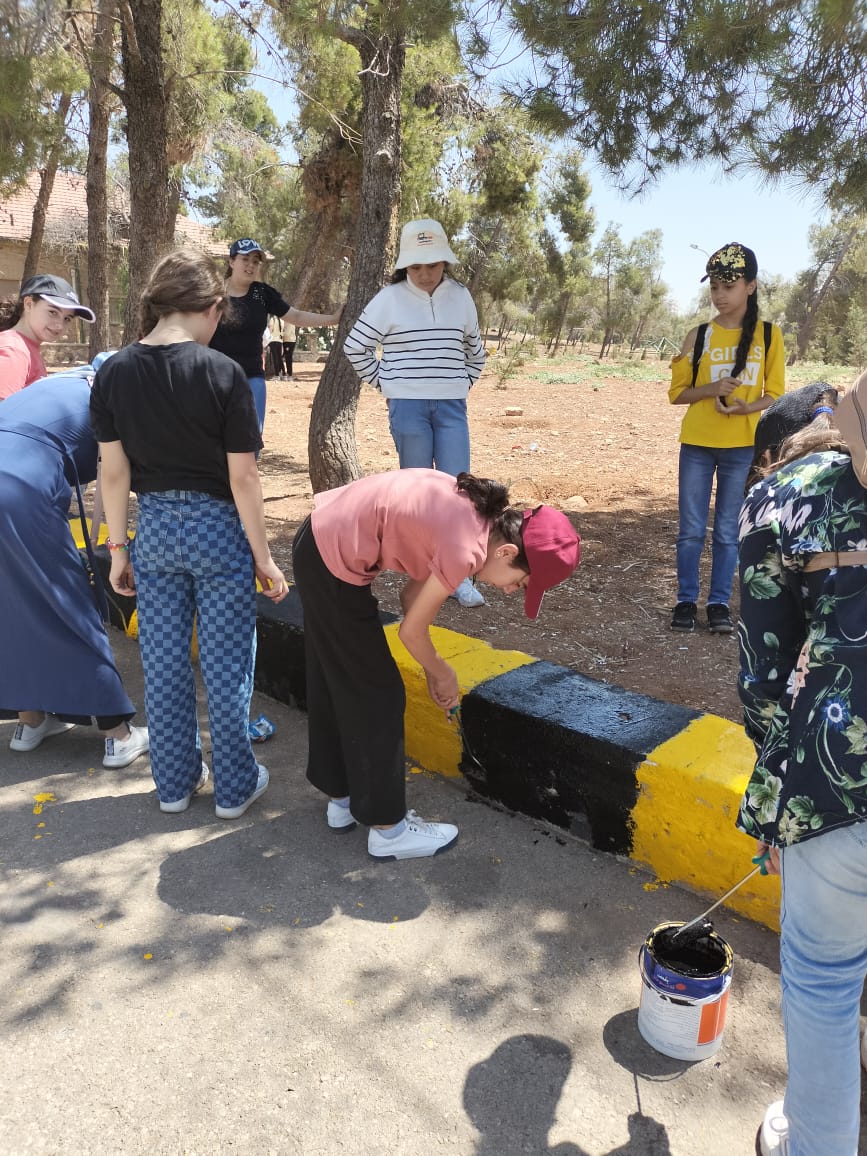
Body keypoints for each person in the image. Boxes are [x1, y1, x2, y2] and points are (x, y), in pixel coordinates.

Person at [291, 468, 580, 860]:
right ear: (507, 553)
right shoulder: (466, 548)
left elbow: (412, 600)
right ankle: (389, 832)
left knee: (339, 678)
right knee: (379, 695)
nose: (511, 590)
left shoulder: (475, 516)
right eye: (521, 583)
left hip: (319, 544)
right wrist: (442, 670)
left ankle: (342, 798)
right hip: (331, 561)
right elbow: (410, 631)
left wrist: (431, 670)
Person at [90, 248, 289, 819]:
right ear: (210, 308)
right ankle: (234, 787)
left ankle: (174, 786)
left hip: (152, 529)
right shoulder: (223, 372)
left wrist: (117, 550)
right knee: (227, 663)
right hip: (217, 529)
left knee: (164, 662)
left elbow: (113, 471)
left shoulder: (114, 371)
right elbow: (243, 476)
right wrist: (264, 557)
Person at [737, 370, 867, 1156]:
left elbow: (761, 673)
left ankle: (816, 1142)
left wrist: (776, 799)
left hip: (838, 795)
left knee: (822, 983)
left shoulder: (787, 497)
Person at [0, 359, 148, 767]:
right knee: (69, 604)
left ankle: (30, 722)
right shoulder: (112, 393)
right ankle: (116, 734)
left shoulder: (59, 385)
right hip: (18, 490)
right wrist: (120, 548)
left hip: (12, 476)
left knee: (9, 606)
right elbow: (117, 474)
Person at [343, 218, 487, 609]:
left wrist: (460, 383)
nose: (424, 273)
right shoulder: (388, 300)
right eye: (416, 266)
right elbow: (355, 348)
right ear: (404, 266)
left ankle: (458, 576)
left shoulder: (461, 297)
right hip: (407, 407)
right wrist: (387, 385)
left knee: (461, 490)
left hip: (452, 406)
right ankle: (424, 575)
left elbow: (476, 351)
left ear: (445, 262)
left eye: (433, 264)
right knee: (420, 494)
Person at [669, 242, 784, 634]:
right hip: (698, 444)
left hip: (742, 448)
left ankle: (718, 604)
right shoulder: (697, 336)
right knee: (691, 528)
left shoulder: (769, 336)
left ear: (750, 286)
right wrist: (711, 388)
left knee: (728, 531)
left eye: (728, 286)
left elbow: (774, 394)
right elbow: (677, 395)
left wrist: (744, 409)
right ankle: (685, 601)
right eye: (714, 287)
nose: (719, 295)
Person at [209, 238, 342, 433]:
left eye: (255, 261)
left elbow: (295, 315)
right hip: (214, 379)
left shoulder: (261, 294)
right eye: (245, 259)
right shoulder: (213, 293)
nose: (251, 265)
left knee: (250, 439)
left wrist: (332, 319)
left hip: (252, 378)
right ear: (231, 262)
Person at [0, 274, 95, 400]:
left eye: (67, 318)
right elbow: (4, 414)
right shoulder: (14, 350)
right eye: (53, 312)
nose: (60, 325)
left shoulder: (26, 347)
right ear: (29, 304)